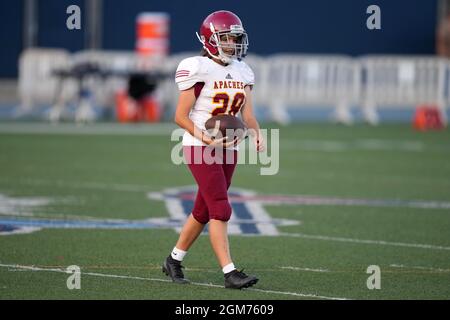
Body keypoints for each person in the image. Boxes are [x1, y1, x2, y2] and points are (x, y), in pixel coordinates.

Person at [162, 10, 265, 289]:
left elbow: (247, 113)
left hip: (228, 146)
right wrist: (208, 141)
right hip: (200, 146)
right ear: (210, 39)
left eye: (235, 37)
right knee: (220, 207)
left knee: (204, 209)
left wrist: (257, 134)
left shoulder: (243, 70)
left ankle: (173, 260)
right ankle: (230, 273)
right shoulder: (197, 67)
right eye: (227, 38)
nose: (233, 43)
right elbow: (180, 117)